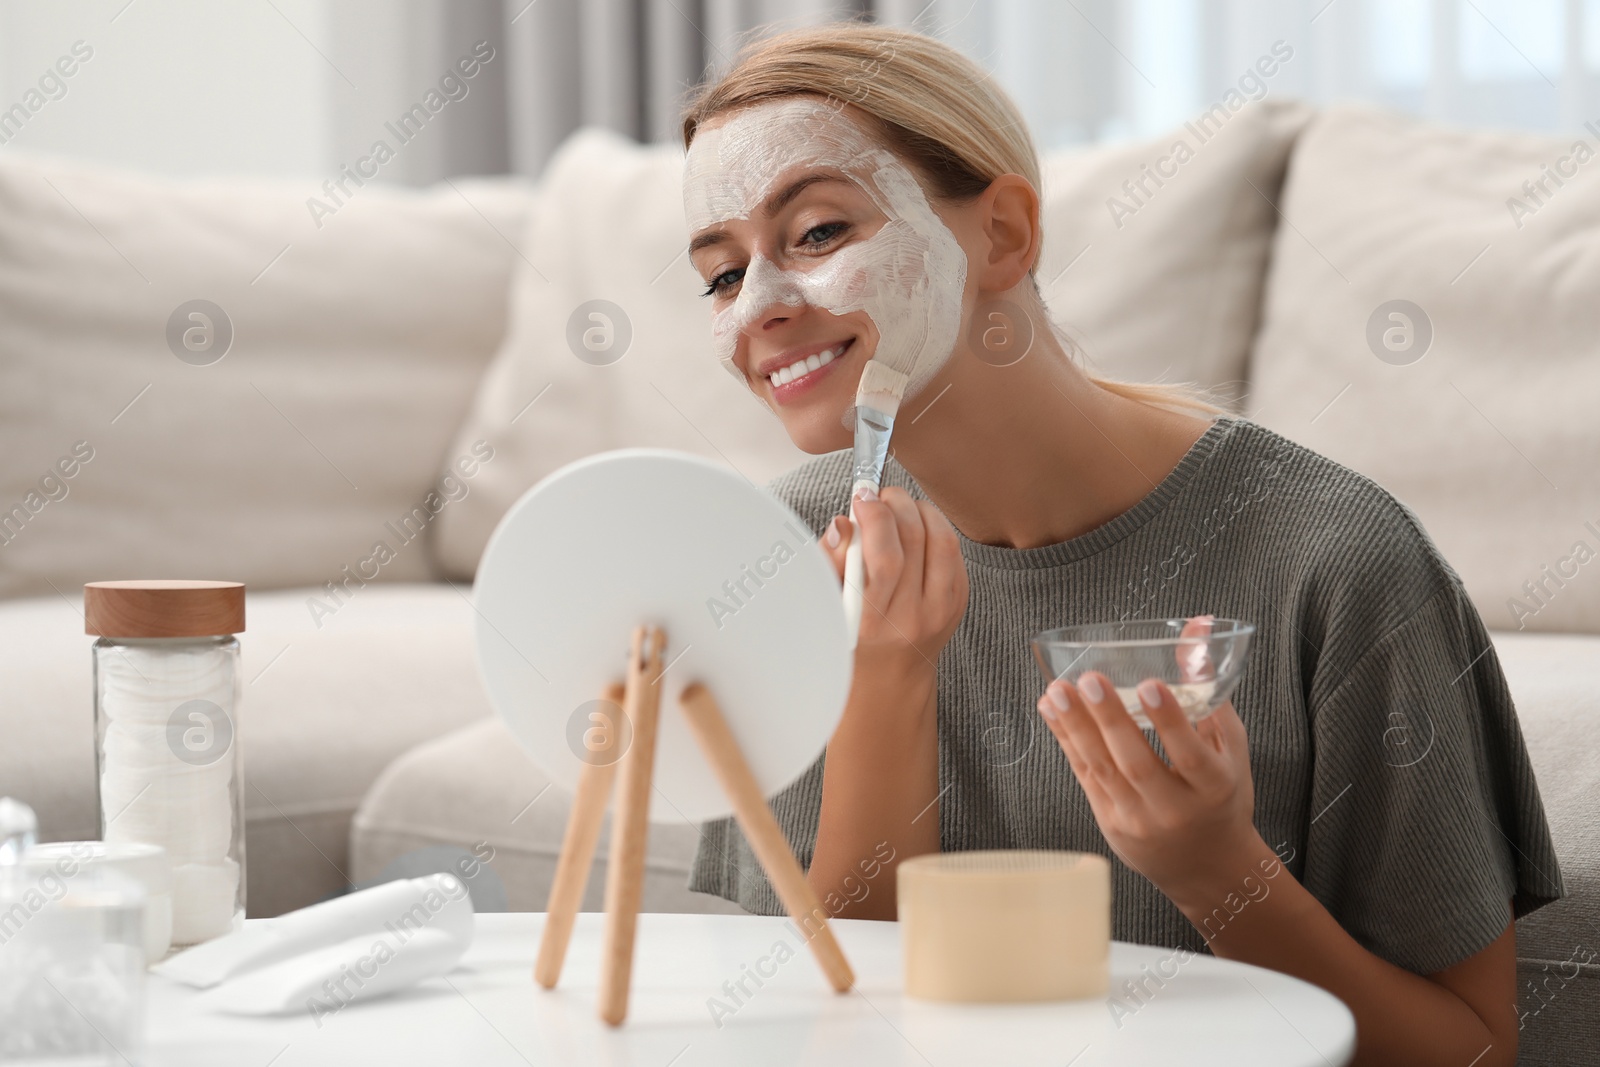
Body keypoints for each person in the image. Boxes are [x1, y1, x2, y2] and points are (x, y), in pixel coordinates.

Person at [679, 22, 1559, 1067]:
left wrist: (1213, 868)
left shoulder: (1339, 560)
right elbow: (834, 1027)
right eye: (722, 276)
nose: (760, 310)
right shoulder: (780, 557)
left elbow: (1472, 1049)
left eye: (818, 232)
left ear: (1003, 233)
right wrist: (881, 682)